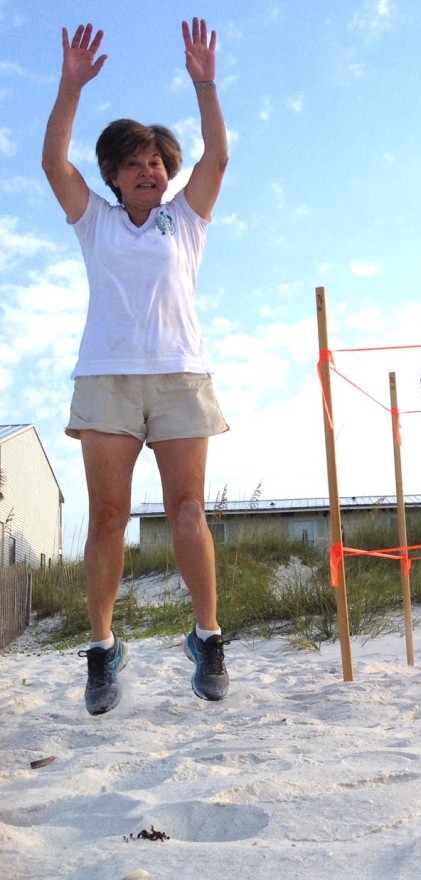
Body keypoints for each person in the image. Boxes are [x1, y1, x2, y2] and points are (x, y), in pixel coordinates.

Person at [42, 19, 230, 713]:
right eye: (134, 163)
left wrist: (204, 82)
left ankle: (208, 637)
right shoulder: (94, 220)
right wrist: (69, 87)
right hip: (108, 379)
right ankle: (101, 649)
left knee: (188, 512)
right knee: (107, 516)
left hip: (181, 376)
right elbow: (53, 164)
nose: (149, 170)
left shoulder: (186, 220)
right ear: (114, 176)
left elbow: (219, 160)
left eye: (156, 161)